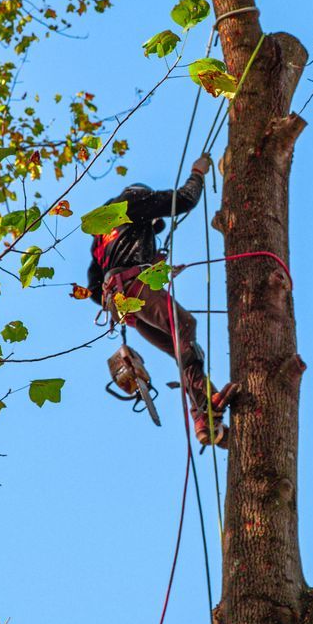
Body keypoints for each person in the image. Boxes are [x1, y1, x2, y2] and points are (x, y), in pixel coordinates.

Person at [85, 154, 233, 446]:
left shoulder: (101, 234)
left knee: (183, 349)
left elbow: (92, 290)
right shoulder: (132, 203)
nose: (152, 229)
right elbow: (185, 201)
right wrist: (197, 173)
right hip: (134, 292)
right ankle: (202, 409)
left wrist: (146, 274)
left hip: (124, 306)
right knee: (185, 325)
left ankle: (205, 414)